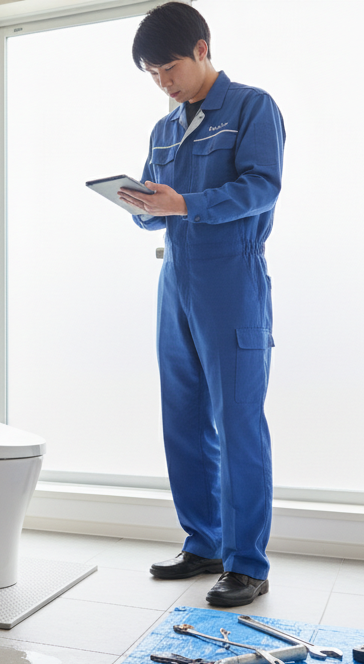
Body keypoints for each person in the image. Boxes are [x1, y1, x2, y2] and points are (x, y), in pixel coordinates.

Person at [116, 3, 286, 607]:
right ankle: (205, 543)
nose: (164, 82)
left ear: (202, 49)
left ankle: (247, 563)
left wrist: (184, 204)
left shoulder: (251, 108)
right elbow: (155, 211)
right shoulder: (164, 129)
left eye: (169, 68)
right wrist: (141, 206)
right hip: (176, 280)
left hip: (232, 280)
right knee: (183, 418)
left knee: (238, 422)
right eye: (152, 74)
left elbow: (262, 186)